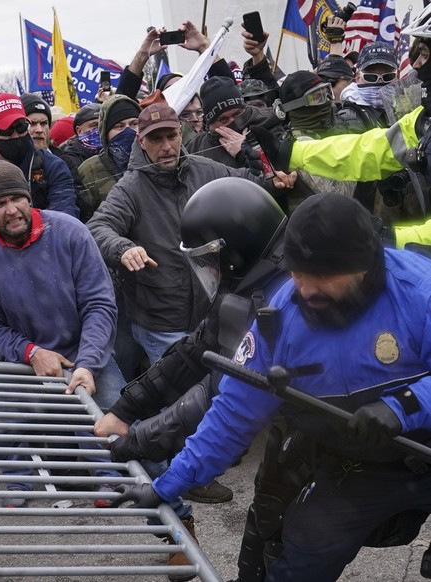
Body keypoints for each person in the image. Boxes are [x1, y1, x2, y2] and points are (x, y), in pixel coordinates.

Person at [115, 193, 431, 581]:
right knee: (304, 549)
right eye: (299, 272)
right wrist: (167, 486)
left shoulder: (418, 292)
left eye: (322, 275)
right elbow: (232, 413)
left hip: (423, 438)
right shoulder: (281, 315)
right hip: (365, 463)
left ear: (364, 266)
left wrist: (403, 404)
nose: (305, 289)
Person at [95, 178, 291, 580]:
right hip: (298, 432)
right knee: (268, 525)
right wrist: (127, 408)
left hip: (341, 440)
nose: (211, 270)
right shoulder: (249, 286)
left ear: (236, 248)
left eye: (210, 259)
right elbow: (193, 353)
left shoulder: (282, 302)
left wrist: (133, 442)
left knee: (296, 544)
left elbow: (217, 396)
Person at [0, 160, 123, 518]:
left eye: (17, 198)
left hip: (84, 357)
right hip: (20, 367)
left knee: (132, 433)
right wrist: (31, 353)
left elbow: (99, 304)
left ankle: (177, 527)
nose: (11, 209)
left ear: (29, 197)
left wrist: (89, 363)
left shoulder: (71, 232)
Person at [87, 101, 274, 364]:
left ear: (180, 133)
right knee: (175, 397)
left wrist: (275, 177)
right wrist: (124, 249)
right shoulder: (130, 188)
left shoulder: (205, 169)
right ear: (141, 142)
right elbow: (97, 228)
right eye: (155, 138)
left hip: (211, 313)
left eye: (171, 136)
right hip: (163, 322)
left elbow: (248, 183)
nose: (166, 146)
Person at [0, 93, 78, 245]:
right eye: (6, 130)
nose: (16, 135)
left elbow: (66, 220)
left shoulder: (53, 165)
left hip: (50, 251)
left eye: (21, 126)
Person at [76, 94, 140, 220]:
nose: (128, 131)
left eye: (134, 124)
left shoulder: (154, 159)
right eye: (119, 126)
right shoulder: (90, 170)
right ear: (105, 133)